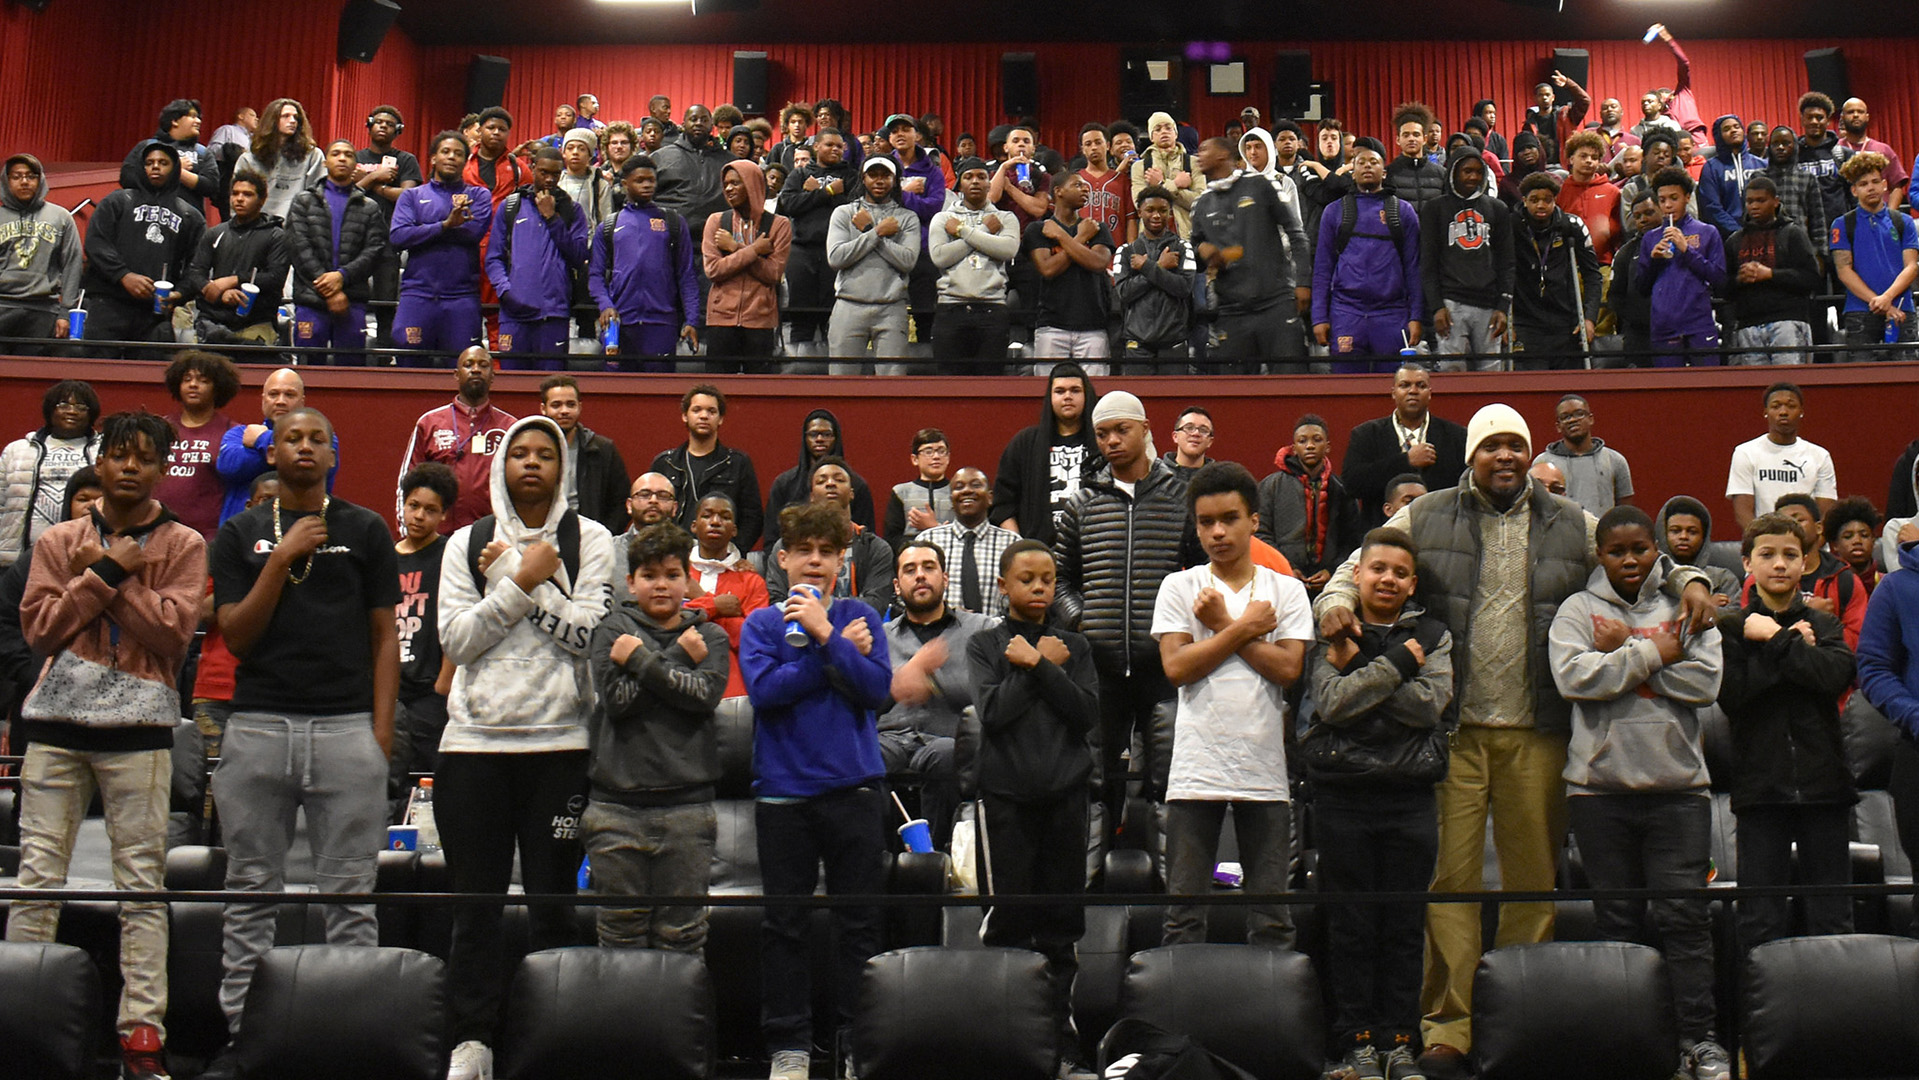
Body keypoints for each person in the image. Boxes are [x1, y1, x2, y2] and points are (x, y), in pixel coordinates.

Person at [1314, 403, 1718, 1079]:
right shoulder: (1426, 512)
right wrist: (1333, 603)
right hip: (1453, 729)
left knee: (1533, 882)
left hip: (1538, 729)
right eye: (1491, 445)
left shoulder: (1571, 522)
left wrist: (1690, 578)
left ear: (1529, 454)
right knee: (1448, 886)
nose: (1503, 455)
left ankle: (1521, 1013)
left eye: (1514, 445)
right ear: (1470, 453)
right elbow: (1359, 562)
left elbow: (1637, 552)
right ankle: (1448, 1025)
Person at [6, 411, 202, 1080]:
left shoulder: (184, 542)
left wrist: (112, 579)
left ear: (160, 468)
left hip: (142, 733)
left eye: (143, 458)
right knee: (37, 880)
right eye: (119, 455)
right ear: (103, 460)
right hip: (55, 729)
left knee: (141, 886)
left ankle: (142, 1034)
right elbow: (41, 630)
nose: (128, 467)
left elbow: (173, 637)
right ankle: (18, 1014)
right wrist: (104, 574)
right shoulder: (59, 539)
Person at [206, 407, 398, 1068]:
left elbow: (384, 637)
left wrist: (378, 736)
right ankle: (243, 1038)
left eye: (318, 438)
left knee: (350, 898)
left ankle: (350, 1038)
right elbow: (235, 635)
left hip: (346, 729)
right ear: (273, 452)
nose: (306, 447)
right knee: (251, 895)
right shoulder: (239, 533)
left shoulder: (367, 529)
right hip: (258, 726)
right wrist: (280, 558)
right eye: (293, 437)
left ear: (333, 451)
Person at [435, 415, 616, 1080]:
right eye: (522, 454)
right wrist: (520, 579)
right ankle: (471, 1042)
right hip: (472, 750)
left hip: (561, 748)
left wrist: (520, 576)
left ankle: (552, 1037)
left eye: (546, 454)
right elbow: (456, 643)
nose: (533, 463)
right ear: (503, 467)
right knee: (473, 909)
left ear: (563, 467)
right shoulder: (465, 541)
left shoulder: (589, 539)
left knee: (553, 907)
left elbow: (587, 638)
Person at [1548, 504, 1727, 1080]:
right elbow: (1574, 678)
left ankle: (1697, 1041)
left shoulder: (1686, 602)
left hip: (1679, 790)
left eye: (1640, 549)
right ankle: (1629, 1040)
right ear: (1599, 554)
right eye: (1616, 551)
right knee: (1616, 923)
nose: (1629, 560)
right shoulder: (1578, 608)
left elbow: (1706, 682)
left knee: (1685, 921)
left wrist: (1624, 649)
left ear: (1657, 550)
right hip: (1599, 792)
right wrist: (1654, 651)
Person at [739, 500, 892, 1080]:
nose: (815, 561)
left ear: (841, 560)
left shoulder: (859, 615)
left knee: (860, 924)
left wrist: (830, 634)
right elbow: (765, 692)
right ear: (783, 557)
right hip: (783, 795)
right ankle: (790, 1047)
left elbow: (876, 691)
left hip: (854, 790)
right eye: (804, 550)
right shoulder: (762, 623)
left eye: (827, 552)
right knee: (785, 927)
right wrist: (835, 650)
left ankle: (857, 1043)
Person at [1305, 526, 1453, 1080]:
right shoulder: (1333, 627)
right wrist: (1397, 665)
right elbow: (1332, 702)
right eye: (1377, 569)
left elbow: (1428, 707)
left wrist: (1363, 672)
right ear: (1357, 574)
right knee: (1351, 924)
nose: (1387, 579)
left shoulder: (1434, 634)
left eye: (1398, 572)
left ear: (1412, 582)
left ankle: (1398, 1039)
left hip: (1411, 798)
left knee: (1403, 923)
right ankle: (1356, 1040)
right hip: (1343, 797)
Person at [1156, 461, 1312, 946]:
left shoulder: (1284, 591)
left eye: (1229, 518)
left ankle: (1273, 1019)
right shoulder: (1179, 586)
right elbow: (1177, 668)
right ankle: (1176, 1020)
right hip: (1195, 768)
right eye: (1206, 522)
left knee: (1272, 918)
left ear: (1254, 521)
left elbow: (1288, 670)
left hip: (1264, 768)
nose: (1218, 532)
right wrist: (1242, 626)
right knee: (1183, 917)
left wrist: (1222, 622)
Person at [967, 539, 1100, 1080]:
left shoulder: (1075, 646)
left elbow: (1086, 713)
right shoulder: (984, 644)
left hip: (1067, 799)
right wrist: (1039, 666)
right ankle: (1005, 1043)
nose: (1040, 587)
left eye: (1048, 578)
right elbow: (994, 712)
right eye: (1027, 579)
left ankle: (1060, 1045)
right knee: (1009, 924)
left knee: (1061, 928)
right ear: (1004, 586)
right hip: (1006, 801)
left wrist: (1042, 664)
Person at [583, 521, 729, 952]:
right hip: (615, 810)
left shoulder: (710, 635)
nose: (661, 585)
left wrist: (643, 660)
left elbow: (702, 696)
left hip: (688, 809)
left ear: (689, 578)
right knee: (619, 935)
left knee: (682, 937)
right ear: (631, 582)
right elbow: (618, 702)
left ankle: (681, 1022)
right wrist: (679, 657)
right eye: (649, 576)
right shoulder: (611, 630)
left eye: (671, 575)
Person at [1054, 391, 1193, 837]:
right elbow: (1058, 578)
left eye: (1121, 430)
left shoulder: (1182, 497)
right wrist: (1081, 620)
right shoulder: (1081, 502)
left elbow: (1204, 574)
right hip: (1100, 665)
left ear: (1146, 428)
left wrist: (1183, 628)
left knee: (1168, 779)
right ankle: (1093, 888)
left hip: (1165, 665)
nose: (1111, 441)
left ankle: (1170, 886)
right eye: (1102, 434)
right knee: (1095, 782)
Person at [1719, 512, 1859, 950]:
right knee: (1760, 921)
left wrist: (1776, 640)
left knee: (1834, 919)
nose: (1779, 564)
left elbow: (1834, 676)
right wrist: (1791, 645)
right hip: (1761, 791)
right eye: (1768, 555)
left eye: (1790, 555)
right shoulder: (1732, 628)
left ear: (1804, 564)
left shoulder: (1824, 624)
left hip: (1826, 789)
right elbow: (1734, 695)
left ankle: (1838, 1018)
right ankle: (1756, 1018)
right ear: (1747, 563)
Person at [882, 541, 994, 850]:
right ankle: (882, 858)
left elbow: (991, 692)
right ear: (897, 584)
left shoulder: (982, 630)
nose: (920, 576)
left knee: (946, 755)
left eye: (928, 568)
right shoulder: (881, 636)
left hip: (947, 738)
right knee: (864, 757)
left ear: (944, 578)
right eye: (910, 570)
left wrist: (931, 681)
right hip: (890, 738)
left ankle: (933, 856)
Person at [1190, 137, 1311, 369]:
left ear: (1223, 154)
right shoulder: (1201, 204)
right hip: (1230, 310)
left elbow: (1296, 233)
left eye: (1205, 149)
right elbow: (1197, 258)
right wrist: (1201, 251)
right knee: (1236, 392)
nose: (1198, 155)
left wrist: (1303, 282)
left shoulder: (1261, 185)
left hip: (1275, 302)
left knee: (1290, 384)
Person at [80, 142, 204, 354]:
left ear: (174, 169)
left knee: (151, 378)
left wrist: (179, 293)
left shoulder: (190, 216)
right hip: (108, 304)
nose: (155, 167)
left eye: (163, 163)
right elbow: (96, 243)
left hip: (155, 315)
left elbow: (197, 266)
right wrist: (124, 275)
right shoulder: (117, 201)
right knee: (97, 373)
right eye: (149, 163)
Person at [1312, 138, 1422, 372]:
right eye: (1360, 162)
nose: (1367, 166)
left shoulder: (1403, 212)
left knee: (1394, 388)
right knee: (1346, 391)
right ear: (1352, 172)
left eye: (1374, 162)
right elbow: (1322, 268)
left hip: (1392, 314)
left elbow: (1413, 268)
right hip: (1346, 313)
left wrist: (1416, 317)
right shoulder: (1334, 212)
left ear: (1384, 172)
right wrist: (1319, 317)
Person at [389, 462, 456, 822]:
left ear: (443, 515)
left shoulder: (449, 555)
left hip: (430, 690)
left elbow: (454, 621)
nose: (419, 516)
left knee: (429, 777)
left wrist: (445, 681)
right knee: (388, 780)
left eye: (430, 510)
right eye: (413, 505)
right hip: (389, 687)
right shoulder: (385, 556)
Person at [391, 132, 494, 364]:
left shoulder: (478, 195)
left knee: (463, 370)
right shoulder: (412, 196)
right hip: (417, 295)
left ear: (466, 161)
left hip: (461, 298)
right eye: (445, 152)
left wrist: (423, 230)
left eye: (458, 153)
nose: (451, 157)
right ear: (433, 159)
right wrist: (445, 225)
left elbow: (472, 233)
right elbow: (398, 236)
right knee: (409, 370)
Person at [591, 155, 700, 367]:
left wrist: (692, 320)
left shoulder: (673, 222)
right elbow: (595, 275)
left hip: (662, 324)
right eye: (640, 180)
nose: (647, 185)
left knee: (659, 393)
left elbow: (687, 275)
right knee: (615, 393)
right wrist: (605, 305)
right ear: (624, 184)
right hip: (620, 323)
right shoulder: (609, 226)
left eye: (651, 180)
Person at [485, 146, 589, 367]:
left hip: (554, 314)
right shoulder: (511, 206)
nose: (550, 179)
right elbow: (494, 257)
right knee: (513, 385)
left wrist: (552, 218)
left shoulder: (572, 210)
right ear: (533, 168)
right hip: (514, 314)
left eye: (555, 174)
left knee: (551, 382)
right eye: (544, 172)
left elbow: (579, 257)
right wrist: (506, 290)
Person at [285, 144, 390, 363]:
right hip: (311, 299)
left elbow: (374, 251)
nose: (342, 159)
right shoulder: (303, 202)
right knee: (308, 372)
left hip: (352, 300)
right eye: (336, 154)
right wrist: (331, 291)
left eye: (348, 155)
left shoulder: (369, 207)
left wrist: (342, 276)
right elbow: (299, 248)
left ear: (355, 164)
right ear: (325, 162)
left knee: (350, 373)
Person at [397, 346, 517, 534]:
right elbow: (407, 481)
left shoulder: (510, 427)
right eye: (468, 365)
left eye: (483, 365)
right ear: (456, 375)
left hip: (490, 536)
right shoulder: (429, 423)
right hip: (437, 537)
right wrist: (407, 532)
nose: (476, 369)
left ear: (492, 376)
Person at [763, 457, 896, 616]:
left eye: (839, 480)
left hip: (858, 632)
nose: (831, 484)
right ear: (811, 496)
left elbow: (876, 605)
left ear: (852, 493)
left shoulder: (876, 548)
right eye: (821, 481)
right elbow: (776, 599)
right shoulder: (787, 544)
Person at [1340, 363, 1468, 528]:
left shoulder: (1456, 436)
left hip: (1439, 533)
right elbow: (1352, 484)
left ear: (1430, 393)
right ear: (1393, 392)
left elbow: (1464, 491)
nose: (1413, 391)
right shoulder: (1366, 434)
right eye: (1405, 385)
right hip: (1382, 535)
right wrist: (1406, 461)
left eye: (1420, 386)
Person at [1421, 148, 1513, 370]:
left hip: (1490, 305)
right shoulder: (1434, 209)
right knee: (1452, 374)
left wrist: (1503, 306)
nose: (1473, 177)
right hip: (1451, 304)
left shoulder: (1498, 209)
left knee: (1492, 374)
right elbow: (1428, 263)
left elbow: (1507, 262)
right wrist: (1436, 307)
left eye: (1478, 171)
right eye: (1467, 171)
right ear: (1453, 172)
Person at [827, 156, 920, 369]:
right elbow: (836, 258)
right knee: (841, 384)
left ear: (895, 180)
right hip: (848, 305)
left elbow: (907, 261)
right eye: (873, 175)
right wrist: (877, 232)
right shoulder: (844, 213)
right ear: (863, 178)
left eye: (886, 175)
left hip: (891, 307)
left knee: (892, 387)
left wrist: (870, 232)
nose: (879, 181)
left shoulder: (907, 218)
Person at [184, 164, 292, 348]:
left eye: (247, 194)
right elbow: (195, 273)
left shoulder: (276, 235)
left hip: (257, 322)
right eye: (235, 193)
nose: (239, 199)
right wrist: (220, 294)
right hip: (213, 321)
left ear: (262, 199)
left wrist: (234, 280)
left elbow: (275, 278)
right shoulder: (215, 232)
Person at [928, 156, 1022, 368]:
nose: (975, 181)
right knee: (949, 385)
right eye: (968, 177)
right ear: (959, 184)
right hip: (951, 308)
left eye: (981, 177)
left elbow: (1007, 249)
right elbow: (940, 257)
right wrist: (985, 233)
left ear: (990, 183)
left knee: (989, 386)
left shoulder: (1005, 218)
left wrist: (962, 231)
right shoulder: (943, 218)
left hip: (992, 309)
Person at [214, 367, 338, 526]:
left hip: (304, 532)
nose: (280, 401)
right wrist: (286, 453)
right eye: (273, 394)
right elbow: (229, 466)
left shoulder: (324, 437)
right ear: (263, 399)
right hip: (243, 536)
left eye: (289, 395)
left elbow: (312, 468)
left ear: (302, 401)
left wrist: (260, 439)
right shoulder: (239, 435)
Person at [992, 364, 1099, 548]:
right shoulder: (1025, 443)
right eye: (1060, 391)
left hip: (1093, 552)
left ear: (1086, 395)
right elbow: (1003, 505)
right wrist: (1021, 547)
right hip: (1039, 554)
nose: (1067, 397)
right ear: (1050, 397)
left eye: (1075, 390)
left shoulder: (1101, 443)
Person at [776, 128, 859, 361]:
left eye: (839, 146)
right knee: (801, 317)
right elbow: (788, 204)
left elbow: (855, 209)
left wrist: (818, 194)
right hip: (802, 252)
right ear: (816, 147)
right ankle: (797, 371)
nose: (835, 150)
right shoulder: (800, 174)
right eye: (829, 145)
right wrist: (829, 192)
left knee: (833, 318)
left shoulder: (851, 176)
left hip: (837, 254)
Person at [1257, 415, 1361, 597]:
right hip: (1280, 580)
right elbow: (1260, 532)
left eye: (1317, 440)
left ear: (1328, 447)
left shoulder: (1341, 489)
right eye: (1302, 441)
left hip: (1329, 583)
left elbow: (1351, 538)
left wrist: (1332, 570)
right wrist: (1287, 567)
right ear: (1294, 448)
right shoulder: (1271, 486)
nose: (1310, 446)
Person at [0, 379, 100, 567]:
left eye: (81, 406)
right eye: (64, 404)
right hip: (16, 562)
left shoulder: (105, 452)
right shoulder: (16, 451)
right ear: (50, 409)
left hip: (81, 561)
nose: (72, 411)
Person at [649, 384, 764, 547]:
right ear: (685, 416)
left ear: (721, 419)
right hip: (672, 552)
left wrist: (734, 552)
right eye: (697, 410)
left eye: (711, 411)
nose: (704, 416)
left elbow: (752, 517)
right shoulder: (665, 463)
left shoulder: (738, 463)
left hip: (721, 556)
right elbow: (651, 511)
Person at [1021, 169, 1115, 367]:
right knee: (1049, 391)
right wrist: (1081, 239)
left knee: (1094, 391)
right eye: (1077, 185)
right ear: (1058, 191)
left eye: (1085, 186)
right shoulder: (1038, 230)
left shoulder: (1096, 228)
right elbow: (1048, 269)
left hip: (1093, 326)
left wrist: (1064, 237)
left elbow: (1098, 263)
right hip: (1051, 326)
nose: (1085, 190)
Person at [1830, 152, 1919, 360]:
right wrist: (1880, 302)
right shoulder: (1841, 224)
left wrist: (1887, 299)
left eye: (1875, 182)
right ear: (1854, 190)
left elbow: (1912, 266)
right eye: (1863, 184)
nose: (1870, 187)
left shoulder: (1904, 222)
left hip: (1902, 308)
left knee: (1907, 380)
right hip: (1859, 312)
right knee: (1862, 380)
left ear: (1885, 185)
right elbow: (1843, 270)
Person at [1725, 175, 1821, 365]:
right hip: (1748, 325)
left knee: (1790, 385)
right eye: (1750, 201)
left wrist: (1769, 274)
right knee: (1755, 391)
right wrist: (1739, 279)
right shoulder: (1734, 241)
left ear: (1776, 202)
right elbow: (1723, 288)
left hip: (1788, 321)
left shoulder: (1793, 233)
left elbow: (1812, 278)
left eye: (1761, 201)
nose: (1754, 206)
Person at [703, 159, 791, 364]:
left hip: (760, 321)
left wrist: (735, 248)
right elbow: (714, 270)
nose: (729, 188)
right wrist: (754, 250)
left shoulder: (779, 225)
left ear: (751, 184)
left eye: (735, 183)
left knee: (758, 389)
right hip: (720, 319)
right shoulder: (716, 221)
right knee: (718, 386)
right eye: (726, 184)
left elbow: (772, 274)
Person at [682, 493, 769, 698]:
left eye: (725, 517)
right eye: (707, 515)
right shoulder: (676, 573)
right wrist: (715, 605)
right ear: (694, 526)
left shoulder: (751, 581)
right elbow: (666, 625)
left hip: (733, 689)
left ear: (735, 530)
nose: (715, 522)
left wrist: (701, 600)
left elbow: (753, 640)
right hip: (677, 676)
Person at [1511, 173, 1601, 367]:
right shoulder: (1512, 227)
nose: (1541, 205)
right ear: (1524, 200)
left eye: (1547, 200)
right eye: (1534, 200)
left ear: (1555, 200)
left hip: (1566, 322)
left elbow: (1592, 274)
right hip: (1526, 323)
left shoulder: (1571, 226)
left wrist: (1589, 318)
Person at [1639, 167, 1725, 367]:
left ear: (1687, 197)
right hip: (1663, 327)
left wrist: (1687, 251)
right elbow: (1641, 287)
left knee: (1707, 388)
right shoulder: (1650, 238)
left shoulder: (1707, 232)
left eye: (1674, 198)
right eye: (1662, 200)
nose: (1668, 205)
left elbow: (1719, 278)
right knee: (1669, 392)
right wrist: (1654, 260)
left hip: (1699, 324)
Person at [156, 351, 242, 541]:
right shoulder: (159, 428)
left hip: (206, 537)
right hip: (156, 532)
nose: (193, 385)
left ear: (217, 388)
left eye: (203, 380)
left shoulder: (232, 433)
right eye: (187, 379)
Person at [0, 154, 82, 351]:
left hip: (43, 310)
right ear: (6, 180)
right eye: (17, 176)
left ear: (40, 180)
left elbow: (73, 263)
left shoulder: (60, 216)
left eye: (31, 176)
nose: (24, 182)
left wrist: (65, 312)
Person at [357, 105, 423, 350]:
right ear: (369, 125)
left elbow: (407, 195)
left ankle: (384, 356)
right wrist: (376, 176)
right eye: (379, 121)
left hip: (388, 241)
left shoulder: (406, 160)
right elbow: (348, 193)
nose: (383, 126)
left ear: (398, 130)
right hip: (355, 241)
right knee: (355, 302)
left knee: (386, 304)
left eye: (389, 123)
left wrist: (368, 183)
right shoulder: (355, 157)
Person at [1726, 382, 1837, 527]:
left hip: (1809, 544)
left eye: (1791, 406)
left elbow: (1826, 513)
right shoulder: (1746, 452)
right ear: (1765, 412)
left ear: (1801, 411)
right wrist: (1762, 543)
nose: (1783, 412)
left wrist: (1811, 546)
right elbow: (1743, 511)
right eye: (1776, 406)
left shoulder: (1820, 455)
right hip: (1764, 540)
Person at [762, 408, 876, 547]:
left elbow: (866, 536)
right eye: (813, 434)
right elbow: (771, 537)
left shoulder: (857, 484)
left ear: (836, 437)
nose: (820, 439)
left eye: (826, 434)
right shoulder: (784, 483)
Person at [1768, 494, 1869, 650]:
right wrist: (1812, 616)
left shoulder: (1845, 579)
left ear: (1819, 528)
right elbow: (1753, 641)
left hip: (1831, 669)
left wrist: (1822, 625)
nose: (1791, 527)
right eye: (1783, 523)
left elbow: (1858, 642)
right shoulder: (1761, 579)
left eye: (1799, 520)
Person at [918, 466, 1017, 618]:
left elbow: (1020, 599)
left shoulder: (1012, 544)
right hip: (939, 636)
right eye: (959, 487)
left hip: (998, 636)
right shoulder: (927, 542)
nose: (966, 490)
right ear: (951, 499)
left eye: (976, 485)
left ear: (990, 497)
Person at [536, 375, 630, 533]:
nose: (564, 411)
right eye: (556, 405)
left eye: (570, 404)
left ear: (579, 407)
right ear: (543, 409)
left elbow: (621, 501)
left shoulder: (602, 449)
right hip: (541, 533)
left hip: (587, 536)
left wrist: (604, 534)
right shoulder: (532, 450)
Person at [1113, 186, 1194, 366]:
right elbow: (1124, 293)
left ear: (1170, 213)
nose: (1156, 215)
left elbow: (1184, 288)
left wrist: (1147, 267)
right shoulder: (1127, 251)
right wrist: (1159, 266)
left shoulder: (1183, 247)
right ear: (1140, 212)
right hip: (1137, 342)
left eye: (1162, 210)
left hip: (1175, 342)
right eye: (1150, 210)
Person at [1533, 394, 1633, 515]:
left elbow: (1625, 509)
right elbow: (1536, 506)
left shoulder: (1615, 460)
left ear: (1591, 419)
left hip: (1601, 532)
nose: (1572, 420)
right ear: (1558, 426)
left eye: (1579, 414)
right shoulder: (1543, 462)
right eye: (1565, 417)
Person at [121, 99, 221, 220]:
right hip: (147, 218)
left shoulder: (202, 152)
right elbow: (127, 178)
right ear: (174, 121)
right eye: (192, 116)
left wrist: (177, 171)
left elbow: (211, 186)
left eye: (198, 117)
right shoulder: (147, 147)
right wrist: (170, 169)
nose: (198, 121)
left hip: (188, 223)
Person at [235, 99, 325, 221]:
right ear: (272, 121)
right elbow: (238, 196)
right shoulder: (249, 158)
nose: (292, 121)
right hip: (257, 226)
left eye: (295, 117)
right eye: (286, 116)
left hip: (296, 226)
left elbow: (318, 196)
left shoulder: (313, 155)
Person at [1759, 126, 1830, 270]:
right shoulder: (1759, 178)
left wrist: (1820, 254)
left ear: (1795, 146)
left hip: (1800, 248)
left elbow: (1818, 220)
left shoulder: (1807, 178)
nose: (1780, 147)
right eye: (1775, 144)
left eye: (1786, 143)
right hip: (1765, 249)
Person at [652, 105, 732, 223]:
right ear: (683, 124)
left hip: (716, 235)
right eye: (693, 119)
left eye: (704, 120)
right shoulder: (661, 157)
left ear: (711, 126)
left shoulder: (729, 161)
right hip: (670, 233)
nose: (699, 123)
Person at [1607, 191, 1661, 364]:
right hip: (1639, 336)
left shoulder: (1679, 242)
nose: (1643, 220)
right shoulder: (1626, 253)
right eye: (1637, 216)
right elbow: (1615, 296)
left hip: (1676, 331)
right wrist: (1639, 319)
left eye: (1649, 213)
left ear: (1662, 210)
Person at [1656, 496, 1740, 602]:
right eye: (1675, 531)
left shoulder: (1723, 578)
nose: (1683, 536)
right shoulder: (1653, 579)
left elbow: (1735, 615)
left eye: (1692, 532)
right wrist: (1706, 605)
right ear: (1663, 535)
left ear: (1703, 538)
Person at [1557, 132, 1623, 267]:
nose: (1589, 161)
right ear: (1571, 159)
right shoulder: (1559, 192)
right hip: (1567, 265)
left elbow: (1619, 233)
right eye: (1583, 156)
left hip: (1603, 264)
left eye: (1594, 157)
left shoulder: (1612, 192)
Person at [1696, 114, 1768, 238]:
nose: (1733, 130)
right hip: (1728, 238)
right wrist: (1737, 232)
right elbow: (1711, 207)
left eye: (1737, 126)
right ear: (1719, 136)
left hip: (1764, 232)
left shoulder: (1762, 164)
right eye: (1726, 129)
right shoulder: (1711, 168)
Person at [883, 428, 952, 554]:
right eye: (928, 451)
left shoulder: (958, 492)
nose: (936, 456)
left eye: (941, 451)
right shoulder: (901, 492)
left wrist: (934, 528)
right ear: (915, 459)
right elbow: (891, 539)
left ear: (948, 457)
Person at [1129, 113, 1199, 237]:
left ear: (1176, 133)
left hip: (1187, 237)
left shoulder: (1194, 163)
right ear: (1151, 136)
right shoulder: (1140, 166)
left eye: (1168, 128)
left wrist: (1160, 185)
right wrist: (1176, 185)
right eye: (1158, 129)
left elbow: (1199, 203)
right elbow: (1139, 204)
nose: (1164, 132)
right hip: (1150, 239)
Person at [1796, 93, 1854, 231]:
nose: (1814, 122)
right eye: (1809, 117)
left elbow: (1854, 196)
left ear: (1828, 121)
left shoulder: (1844, 155)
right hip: (1805, 232)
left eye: (1819, 117)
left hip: (1839, 230)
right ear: (1802, 120)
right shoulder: (1794, 156)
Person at [1836, 98, 1907, 202]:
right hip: (1846, 215)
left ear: (1867, 117)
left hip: (1880, 214)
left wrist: (1890, 215)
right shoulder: (1834, 150)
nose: (1856, 115)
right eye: (1851, 112)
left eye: (1860, 112)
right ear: (1842, 117)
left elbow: (1896, 187)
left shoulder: (1884, 150)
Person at [1385, 102, 1447, 212]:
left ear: (1424, 139)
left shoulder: (1441, 174)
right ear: (1398, 140)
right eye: (1406, 135)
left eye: (1416, 134)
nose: (1411, 139)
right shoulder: (1389, 173)